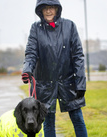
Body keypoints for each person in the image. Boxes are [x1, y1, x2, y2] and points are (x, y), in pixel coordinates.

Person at [21, 0, 88, 137]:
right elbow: (31, 53)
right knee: (48, 122)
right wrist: (27, 69)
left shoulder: (69, 26)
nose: (48, 11)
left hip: (68, 82)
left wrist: (81, 84)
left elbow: (78, 56)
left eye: (51, 7)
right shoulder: (35, 28)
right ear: (40, 10)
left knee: (77, 119)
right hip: (45, 84)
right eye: (45, 8)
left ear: (57, 9)